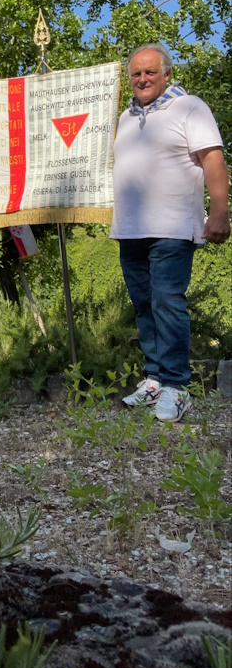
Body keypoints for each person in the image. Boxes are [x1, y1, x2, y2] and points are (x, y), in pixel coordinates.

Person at [111, 43, 230, 422]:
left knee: (167, 301)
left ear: (166, 74)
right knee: (144, 305)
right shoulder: (125, 118)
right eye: (136, 74)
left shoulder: (189, 106)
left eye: (150, 72)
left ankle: (177, 387)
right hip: (130, 229)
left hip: (173, 226)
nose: (142, 79)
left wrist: (220, 212)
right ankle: (154, 379)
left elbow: (212, 158)